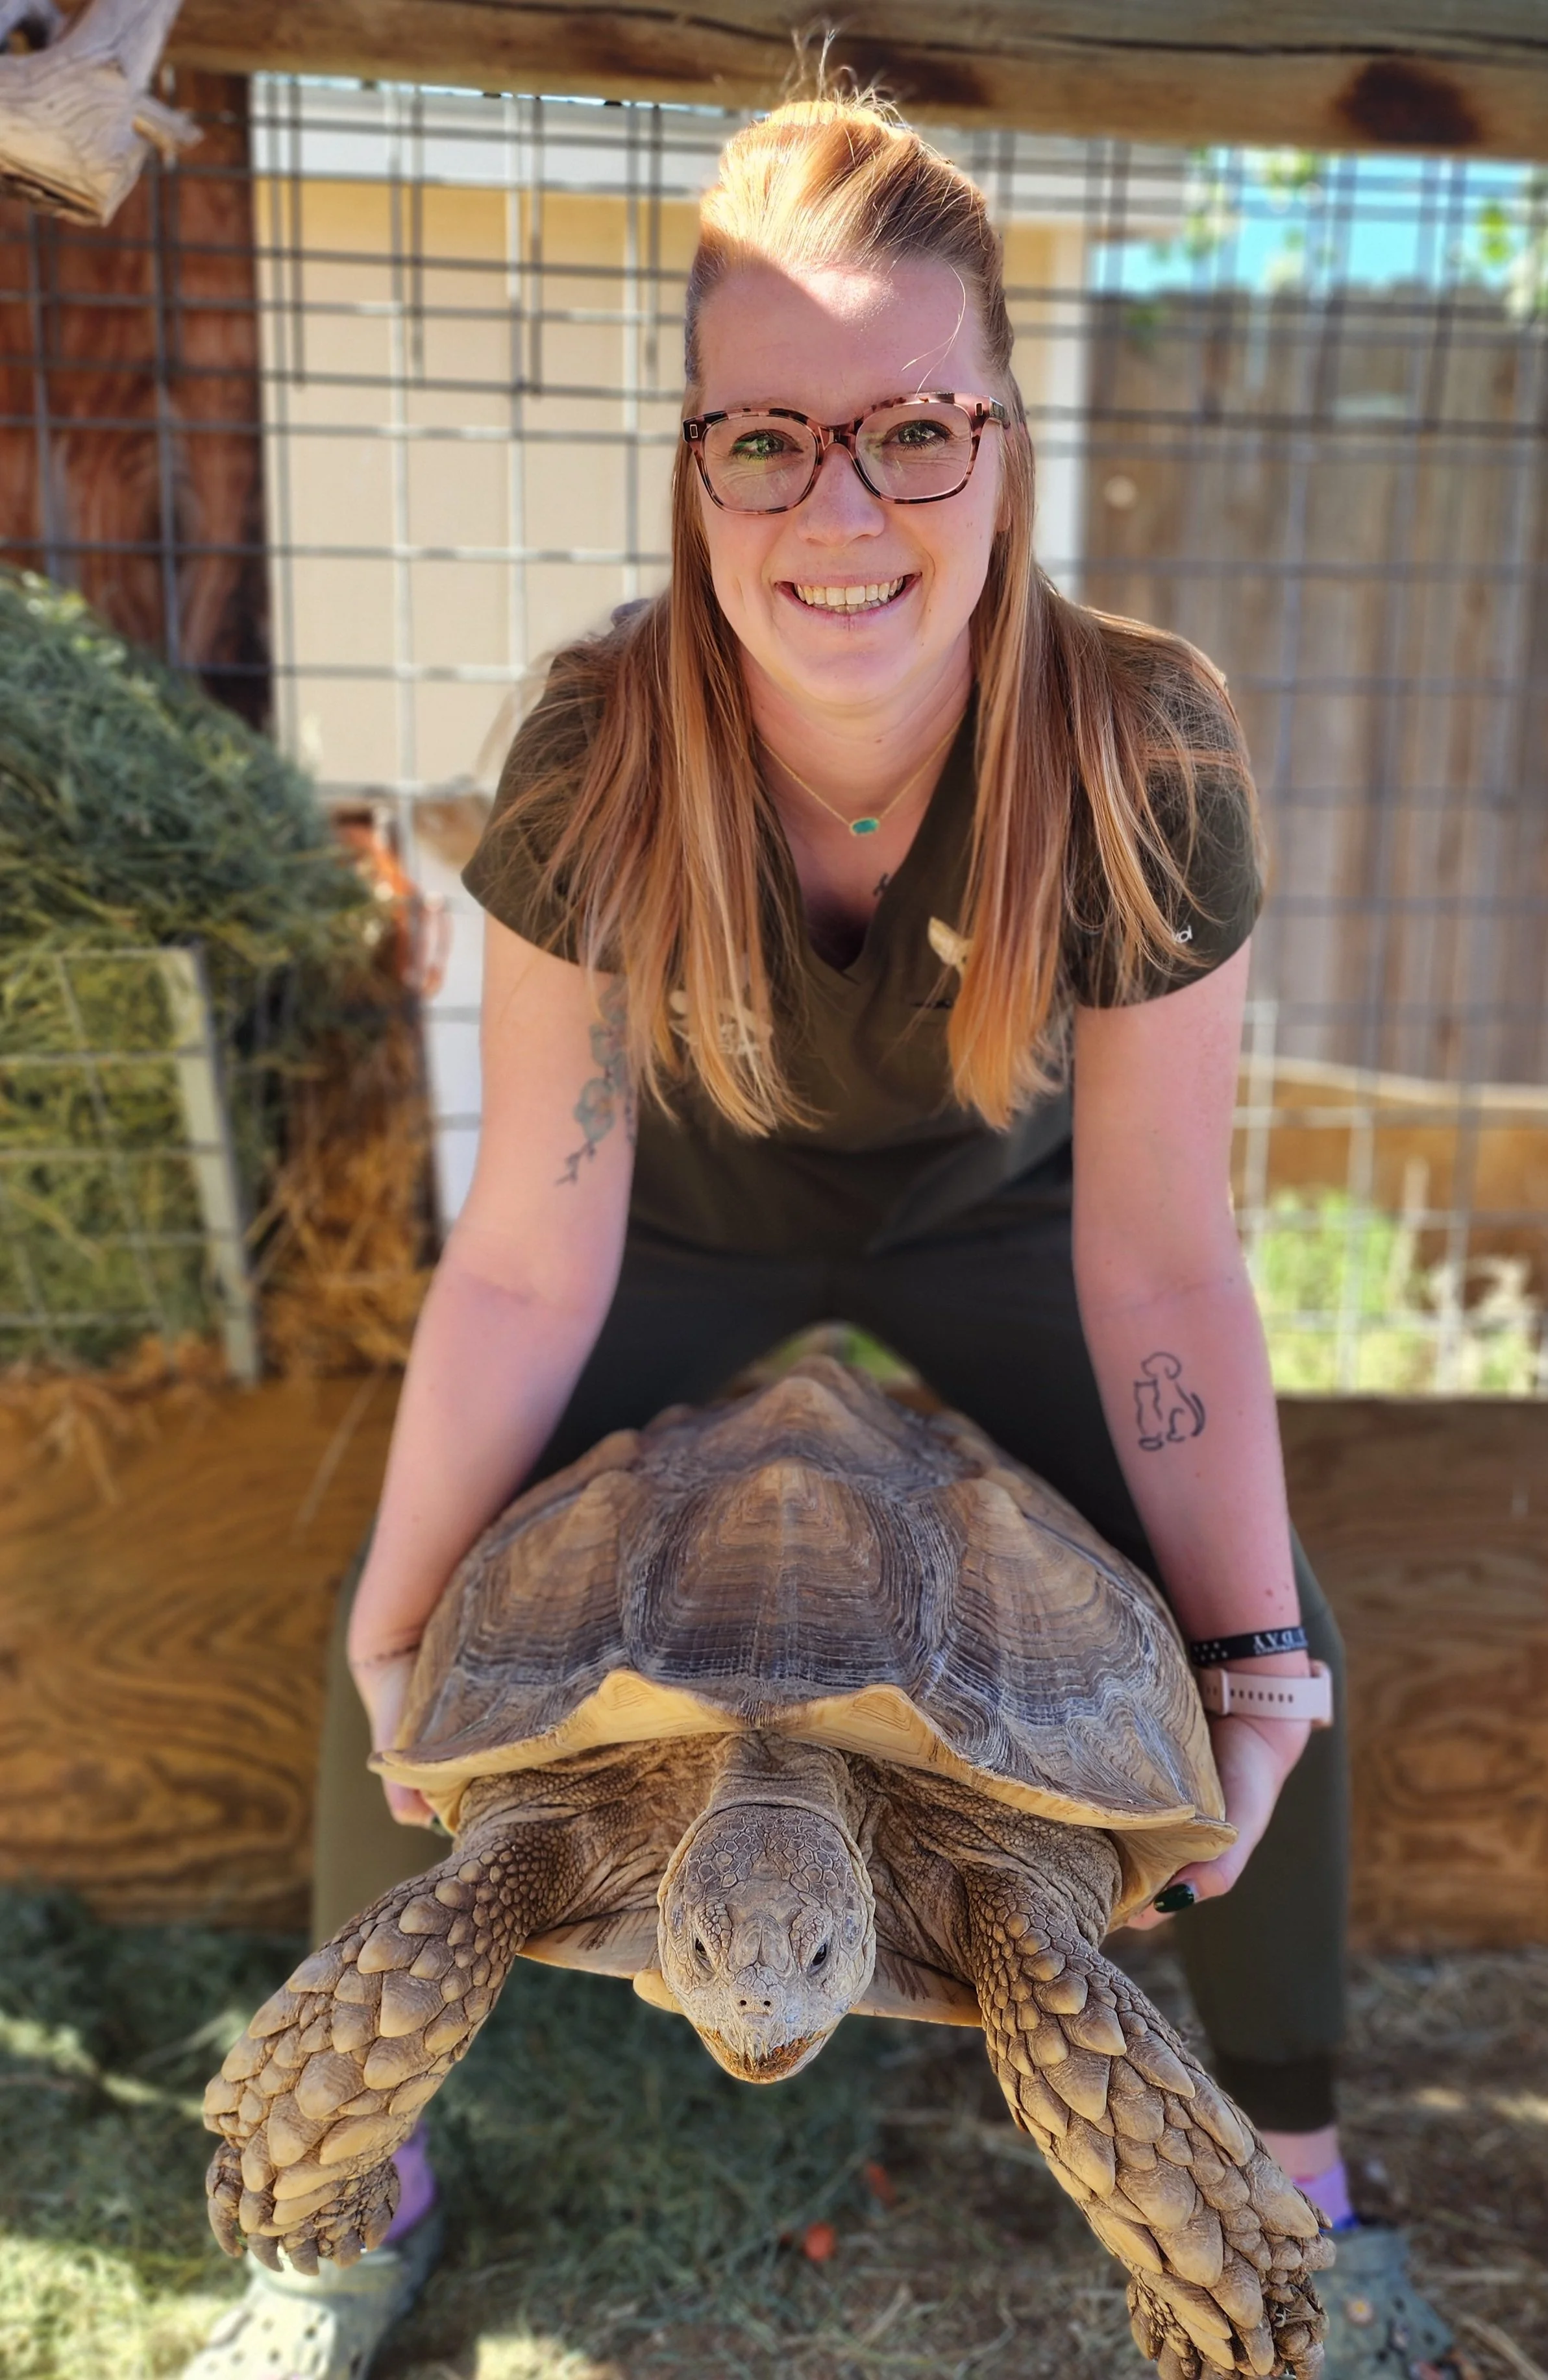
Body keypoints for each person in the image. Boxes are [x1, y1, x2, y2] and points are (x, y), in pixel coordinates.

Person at [186, 92, 1475, 2380]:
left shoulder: (1144, 748)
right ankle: (336, 2205)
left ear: (1003, 438)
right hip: (675, 1225)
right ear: (694, 466)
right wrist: (399, 1630)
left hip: (1016, 1231)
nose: (843, 509)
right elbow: (524, 1257)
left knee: (1282, 1643)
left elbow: (1168, 1258)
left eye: (911, 430)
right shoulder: (599, 745)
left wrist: (1255, 1650)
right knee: (384, 1639)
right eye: (767, 441)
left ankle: (1292, 2183)